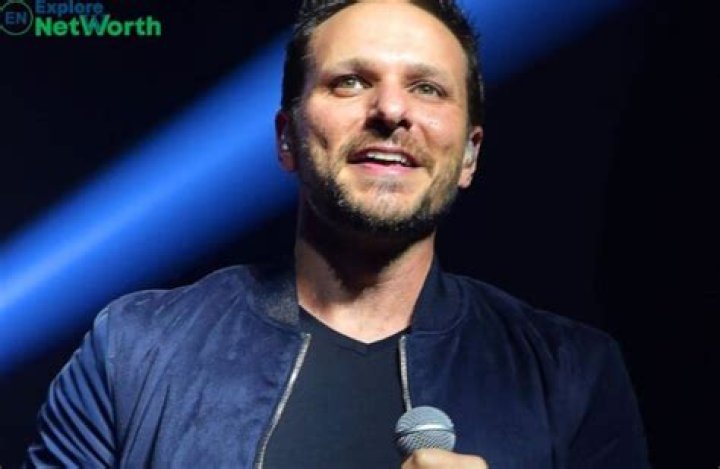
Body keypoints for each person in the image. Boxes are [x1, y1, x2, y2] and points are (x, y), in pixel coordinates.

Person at [26, 0, 649, 467]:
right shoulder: (133, 350)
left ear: (469, 155)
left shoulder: (571, 374)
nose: (391, 110)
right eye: (350, 81)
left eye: (427, 88)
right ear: (287, 138)